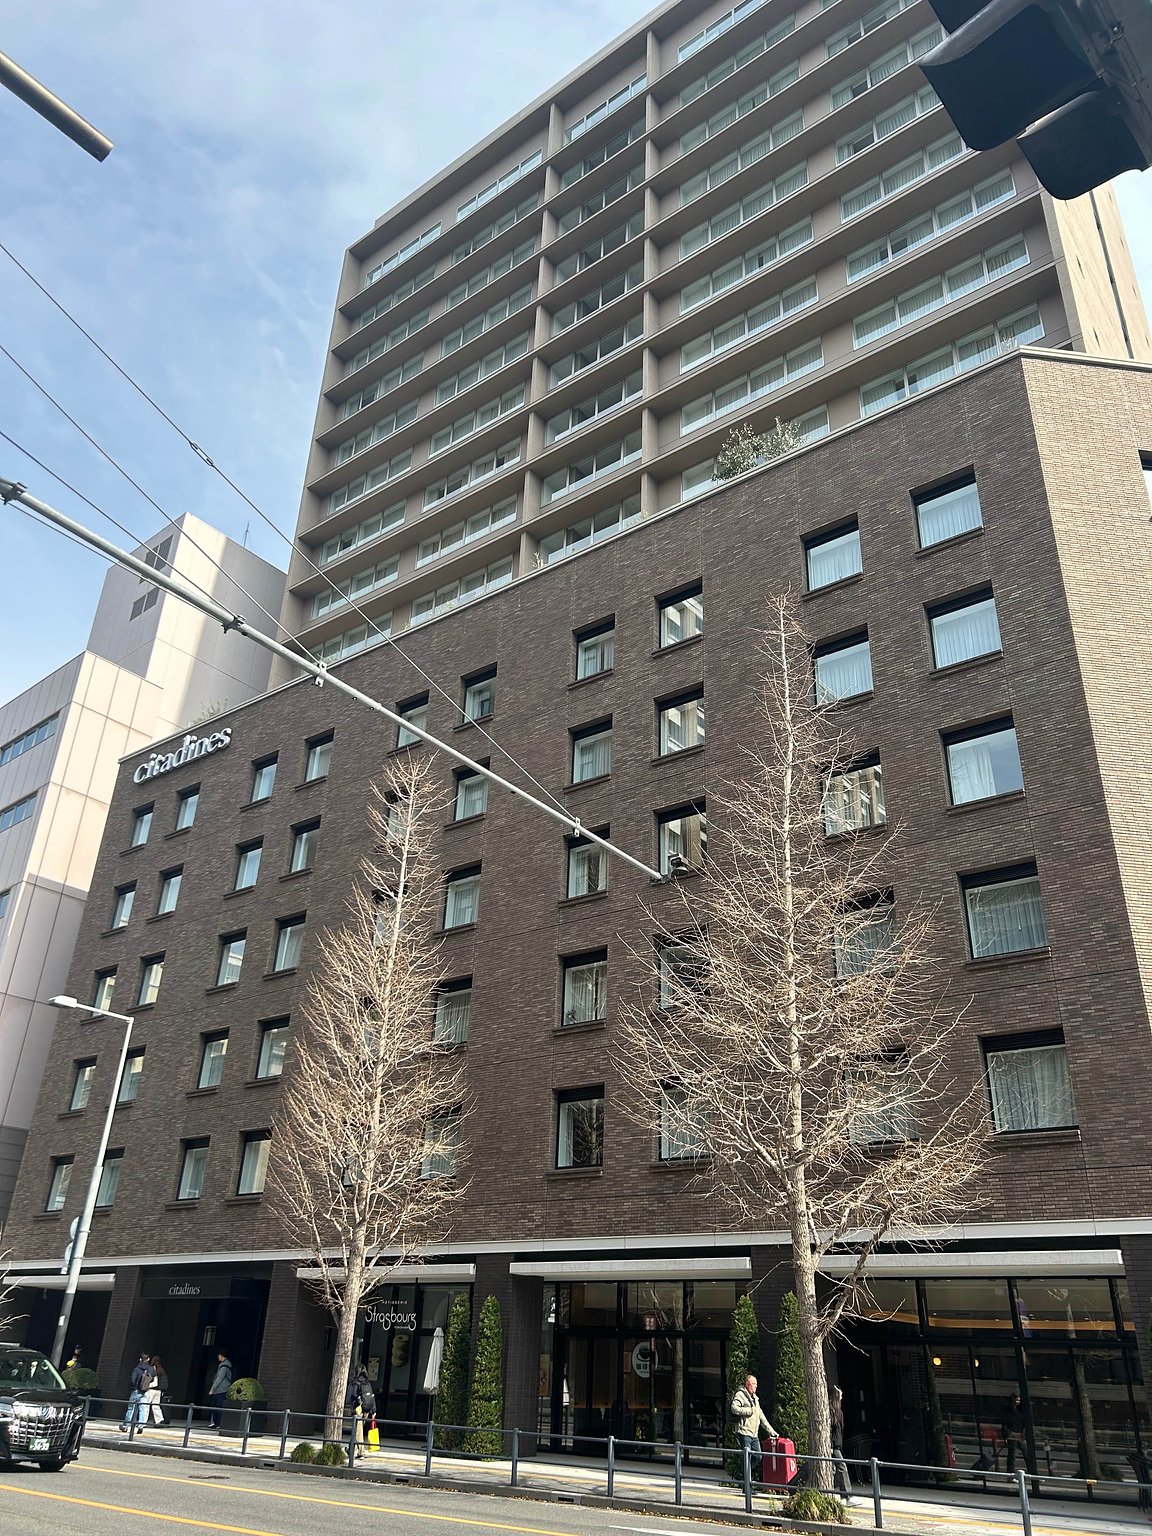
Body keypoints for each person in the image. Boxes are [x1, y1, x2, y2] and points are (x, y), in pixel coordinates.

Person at [730, 1373, 777, 1482]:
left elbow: (761, 1416)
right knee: (747, 1458)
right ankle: (746, 1485)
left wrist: (771, 1430)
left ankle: (745, 1477)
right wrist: (748, 1411)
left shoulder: (755, 1398)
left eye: (756, 1384)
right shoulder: (740, 1395)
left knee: (758, 1457)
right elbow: (734, 1408)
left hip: (754, 1433)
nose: (756, 1386)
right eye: (754, 1384)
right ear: (747, 1384)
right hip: (744, 1432)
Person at [345, 1364, 377, 1461]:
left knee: (358, 1432)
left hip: (357, 1409)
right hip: (367, 1410)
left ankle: (361, 1452)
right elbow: (372, 1397)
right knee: (357, 1431)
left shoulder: (355, 1382)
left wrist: (349, 1405)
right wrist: (373, 1411)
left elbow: (350, 1397)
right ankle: (351, 1450)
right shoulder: (367, 1383)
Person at [829, 1385, 854, 1500]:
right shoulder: (831, 1411)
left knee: (811, 1466)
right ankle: (847, 1496)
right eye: (840, 1396)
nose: (842, 1398)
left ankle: (792, 1486)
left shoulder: (839, 1412)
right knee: (842, 1466)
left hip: (836, 1445)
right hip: (833, 1446)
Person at [120, 1354, 155, 1432]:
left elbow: (132, 1380)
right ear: (148, 1359)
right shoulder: (150, 1368)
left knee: (131, 1408)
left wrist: (135, 1385)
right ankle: (141, 1426)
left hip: (136, 1390)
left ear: (140, 1359)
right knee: (142, 1408)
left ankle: (126, 1425)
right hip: (145, 1391)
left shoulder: (137, 1369)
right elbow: (152, 1379)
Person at [1001, 1392, 1029, 1475]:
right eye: (1016, 1400)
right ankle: (1010, 1474)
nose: (1017, 1402)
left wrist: (1024, 1433)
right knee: (1012, 1456)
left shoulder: (1021, 1410)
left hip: (1020, 1435)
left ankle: (1033, 1473)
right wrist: (1007, 1435)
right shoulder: (1008, 1411)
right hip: (1012, 1435)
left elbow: (1025, 1423)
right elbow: (1004, 1424)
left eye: (1018, 1400)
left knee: (1027, 1455)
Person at [142, 1354, 168, 1431]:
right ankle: (159, 1421)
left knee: (146, 1405)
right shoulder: (161, 1369)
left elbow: (151, 1379)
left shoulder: (153, 1368)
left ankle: (143, 1422)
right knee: (156, 1406)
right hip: (158, 1391)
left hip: (152, 1389)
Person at [208, 1351, 233, 1429]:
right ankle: (216, 1423)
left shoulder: (224, 1367)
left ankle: (218, 1423)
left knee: (218, 1406)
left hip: (221, 1389)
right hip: (220, 1389)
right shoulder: (224, 1365)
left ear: (222, 1356)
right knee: (215, 1405)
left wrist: (212, 1389)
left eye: (219, 1355)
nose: (218, 1357)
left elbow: (219, 1378)